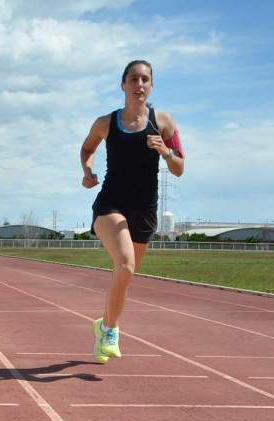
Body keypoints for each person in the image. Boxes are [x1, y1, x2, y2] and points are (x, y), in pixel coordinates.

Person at [79, 60, 185, 363]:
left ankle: (102, 324)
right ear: (123, 85)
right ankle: (110, 332)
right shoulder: (106, 123)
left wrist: (166, 152)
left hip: (145, 210)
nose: (140, 84)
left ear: (151, 86)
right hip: (110, 204)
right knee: (124, 266)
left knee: (124, 276)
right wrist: (88, 170)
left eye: (145, 79)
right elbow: (88, 148)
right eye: (134, 79)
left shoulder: (163, 122)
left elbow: (179, 167)